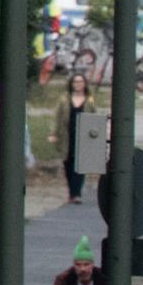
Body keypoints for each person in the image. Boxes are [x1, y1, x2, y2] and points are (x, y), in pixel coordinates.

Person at [49, 75, 92, 203]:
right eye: (75, 82)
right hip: (67, 136)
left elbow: (95, 117)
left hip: (83, 136)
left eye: (81, 81)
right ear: (71, 84)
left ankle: (76, 193)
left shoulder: (89, 100)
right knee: (68, 164)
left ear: (85, 84)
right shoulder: (64, 100)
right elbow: (56, 117)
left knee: (80, 164)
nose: (78, 84)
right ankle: (71, 192)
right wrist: (53, 133)